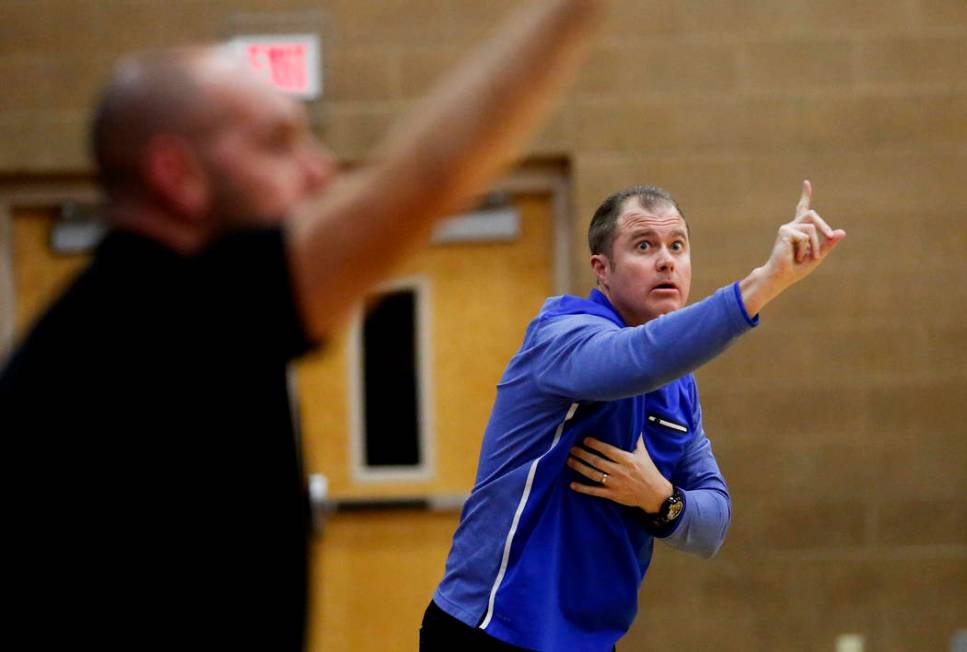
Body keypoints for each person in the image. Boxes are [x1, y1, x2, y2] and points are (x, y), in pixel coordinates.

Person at [0, 1, 612, 648]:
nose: (321, 171)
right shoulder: (161, 315)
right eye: (277, 143)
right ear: (176, 174)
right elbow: (425, 182)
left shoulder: (137, 318)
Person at [423, 183, 846, 651]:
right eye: (645, 246)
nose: (666, 260)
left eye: (677, 246)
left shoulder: (680, 386)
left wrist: (660, 498)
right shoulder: (561, 337)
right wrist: (765, 283)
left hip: (589, 642)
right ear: (602, 270)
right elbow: (637, 357)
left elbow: (713, 523)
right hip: (489, 629)